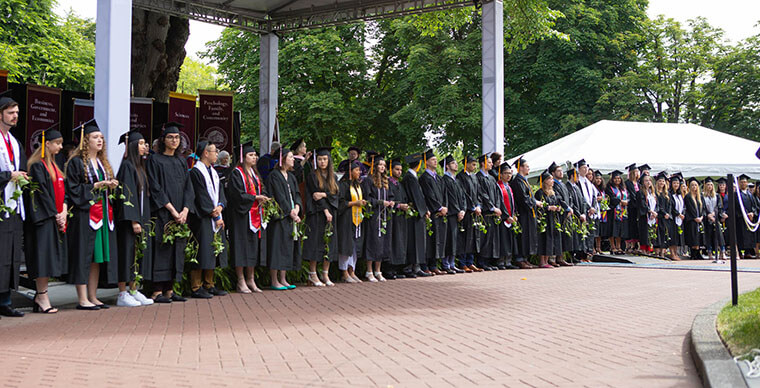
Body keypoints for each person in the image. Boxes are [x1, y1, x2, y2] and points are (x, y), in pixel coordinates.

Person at [66, 120, 119, 310]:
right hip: (84, 216)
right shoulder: (76, 163)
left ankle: (93, 296)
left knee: (97, 256)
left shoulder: (102, 163)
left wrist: (111, 185)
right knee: (84, 255)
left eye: (102, 138)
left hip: (102, 214)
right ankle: (82, 298)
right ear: (85, 140)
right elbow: (73, 189)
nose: (100, 141)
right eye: (95, 137)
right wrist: (96, 186)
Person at [145, 122, 193, 303]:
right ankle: (157, 290)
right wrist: (172, 210)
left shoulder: (181, 161)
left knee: (176, 249)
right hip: (164, 213)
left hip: (181, 214)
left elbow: (189, 187)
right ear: (163, 140)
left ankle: (170, 290)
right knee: (162, 249)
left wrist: (186, 210)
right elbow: (155, 188)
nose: (174, 140)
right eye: (171, 137)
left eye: (177, 137)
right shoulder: (154, 160)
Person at [24, 127, 67, 314]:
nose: (60, 146)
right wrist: (54, 213)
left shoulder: (55, 166)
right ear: (46, 144)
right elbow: (41, 193)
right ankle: (42, 295)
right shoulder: (37, 166)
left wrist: (63, 210)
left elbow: (62, 192)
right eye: (57, 143)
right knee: (42, 259)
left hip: (52, 217)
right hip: (42, 219)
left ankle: (41, 296)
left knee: (48, 259)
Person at [114, 131, 155, 307]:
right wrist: (133, 220)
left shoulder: (140, 168)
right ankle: (122, 293)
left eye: (144, 143)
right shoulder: (127, 167)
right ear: (131, 146)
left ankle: (134, 289)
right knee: (126, 254)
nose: (144, 146)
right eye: (140, 143)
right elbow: (127, 196)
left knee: (137, 255)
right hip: (129, 222)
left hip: (141, 218)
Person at [187, 140, 229, 298]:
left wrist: (220, 206)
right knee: (201, 250)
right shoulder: (195, 172)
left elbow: (220, 194)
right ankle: (196, 287)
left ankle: (209, 284)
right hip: (202, 218)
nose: (216, 154)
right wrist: (215, 214)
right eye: (214, 151)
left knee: (213, 250)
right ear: (205, 153)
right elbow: (201, 196)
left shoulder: (214, 172)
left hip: (215, 216)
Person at [225, 142, 268, 293]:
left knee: (252, 248)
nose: (255, 157)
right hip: (240, 217)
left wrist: (263, 198)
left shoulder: (255, 174)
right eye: (251, 155)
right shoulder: (237, 173)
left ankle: (251, 279)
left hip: (254, 217)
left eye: (255, 155)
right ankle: (240, 280)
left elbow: (262, 189)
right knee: (241, 247)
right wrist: (255, 197)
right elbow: (236, 195)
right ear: (243, 157)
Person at [266, 147, 303, 289]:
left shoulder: (291, 177)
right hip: (279, 217)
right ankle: (274, 280)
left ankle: (283, 278)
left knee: (287, 246)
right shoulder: (274, 176)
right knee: (277, 247)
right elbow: (279, 197)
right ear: (282, 159)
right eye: (291, 157)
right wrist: (291, 212)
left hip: (291, 216)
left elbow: (297, 194)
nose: (293, 159)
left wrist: (298, 208)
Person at [362, 154, 395, 281]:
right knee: (373, 241)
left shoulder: (386, 181)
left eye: (383, 165)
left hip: (385, 216)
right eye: (380, 165)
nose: (382, 167)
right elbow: (367, 198)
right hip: (374, 216)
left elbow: (390, 196)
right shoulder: (369, 180)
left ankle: (378, 270)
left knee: (382, 242)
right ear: (375, 167)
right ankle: (369, 271)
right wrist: (380, 203)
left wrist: (391, 202)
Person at [419, 150, 447, 275]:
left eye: (436, 159)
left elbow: (445, 194)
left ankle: (434, 264)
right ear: (426, 162)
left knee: (438, 239)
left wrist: (445, 207)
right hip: (432, 212)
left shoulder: (439, 178)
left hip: (441, 213)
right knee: (429, 240)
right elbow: (429, 195)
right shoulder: (424, 178)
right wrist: (439, 208)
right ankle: (425, 266)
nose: (435, 161)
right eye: (432, 160)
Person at [402, 153, 430, 277]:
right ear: (418, 165)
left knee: (417, 241)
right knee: (412, 241)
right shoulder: (409, 177)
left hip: (416, 213)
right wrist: (424, 210)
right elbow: (416, 197)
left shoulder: (412, 177)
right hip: (414, 214)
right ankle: (410, 267)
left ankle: (416, 266)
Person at [337, 161, 366, 282]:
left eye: (359, 170)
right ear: (350, 171)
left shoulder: (357, 185)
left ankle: (351, 270)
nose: (359, 172)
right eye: (357, 170)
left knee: (354, 245)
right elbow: (340, 203)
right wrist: (355, 203)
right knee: (346, 244)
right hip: (346, 218)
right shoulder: (343, 185)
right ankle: (344, 272)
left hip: (357, 219)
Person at [510, 156, 540, 268]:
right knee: (522, 236)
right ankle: (520, 258)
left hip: (528, 213)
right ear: (520, 167)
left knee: (528, 236)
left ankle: (525, 258)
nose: (529, 168)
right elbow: (523, 198)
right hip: (522, 213)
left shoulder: (524, 181)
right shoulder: (517, 181)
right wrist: (535, 202)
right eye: (527, 166)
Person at [475, 153, 502, 271]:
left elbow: (497, 194)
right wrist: (491, 207)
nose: (492, 164)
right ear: (483, 163)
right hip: (486, 212)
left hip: (494, 211)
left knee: (492, 238)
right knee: (484, 237)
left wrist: (497, 206)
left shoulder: (491, 178)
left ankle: (489, 261)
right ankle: (482, 261)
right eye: (489, 162)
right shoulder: (478, 177)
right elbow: (482, 194)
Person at [456, 155, 483, 272]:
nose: (475, 166)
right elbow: (463, 194)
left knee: (473, 238)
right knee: (465, 238)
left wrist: (478, 206)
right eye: (473, 164)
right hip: (466, 212)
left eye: (475, 164)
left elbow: (478, 194)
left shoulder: (474, 177)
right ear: (466, 164)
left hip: (475, 211)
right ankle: (462, 263)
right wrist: (472, 207)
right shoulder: (460, 177)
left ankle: (470, 261)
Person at [440, 155, 466, 273]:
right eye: (453, 163)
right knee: (449, 239)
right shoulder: (444, 180)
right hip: (450, 214)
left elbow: (463, 197)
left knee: (455, 240)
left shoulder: (457, 181)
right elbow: (449, 199)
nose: (456, 165)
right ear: (447, 166)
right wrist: (457, 211)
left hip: (458, 214)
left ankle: (452, 263)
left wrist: (463, 210)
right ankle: (446, 264)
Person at [385, 158, 409, 279]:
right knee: (393, 241)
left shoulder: (400, 184)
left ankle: (399, 268)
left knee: (400, 242)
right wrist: (399, 205)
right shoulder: (388, 183)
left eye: (400, 170)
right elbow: (389, 199)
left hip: (401, 218)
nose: (399, 172)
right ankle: (389, 269)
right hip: (392, 216)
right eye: (397, 169)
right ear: (391, 169)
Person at [534, 170, 562, 268]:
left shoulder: (552, 193)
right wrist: (548, 208)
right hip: (544, 220)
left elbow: (557, 203)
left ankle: (547, 261)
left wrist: (558, 208)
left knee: (550, 239)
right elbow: (539, 206)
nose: (552, 181)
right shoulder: (540, 193)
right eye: (550, 179)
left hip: (552, 219)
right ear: (545, 181)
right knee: (544, 239)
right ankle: (542, 261)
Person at [495, 162, 519, 269]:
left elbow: (513, 202)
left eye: (510, 173)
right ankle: (501, 262)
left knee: (510, 239)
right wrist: (506, 216)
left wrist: (514, 214)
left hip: (510, 217)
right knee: (503, 240)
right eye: (506, 173)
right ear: (500, 174)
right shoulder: (498, 186)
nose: (508, 175)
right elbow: (499, 202)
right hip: (502, 218)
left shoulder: (509, 187)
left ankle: (508, 261)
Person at [549, 162, 573, 266]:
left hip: (566, 212)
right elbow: (558, 198)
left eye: (562, 171)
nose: (561, 173)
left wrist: (570, 207)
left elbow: (569, 197)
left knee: (563, 236)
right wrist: (566, 208)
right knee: (557, 236)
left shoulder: (563, 184)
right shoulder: (553, 184)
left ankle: (561, 257)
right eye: (558, 171)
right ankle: (553, 258)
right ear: (553, 173)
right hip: (559, 212)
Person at [655, 172, 679, 260]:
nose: (662, 183)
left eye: (663, 181)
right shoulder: (656, 193)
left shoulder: (667, 193)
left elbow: (670, 205)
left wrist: (668, 213)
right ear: (657, 182)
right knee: (660, 234)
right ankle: (658, 252)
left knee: (665, 234)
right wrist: (664, 213)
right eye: (660, 181)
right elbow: (658, 205)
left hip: (667, 217)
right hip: (660, 216)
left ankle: (663, 252)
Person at [566, 167, 588, 263]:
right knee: (573, 236)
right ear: (572, 176)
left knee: (579, 236)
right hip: (574, 216)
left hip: (580, 216)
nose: (578, 177)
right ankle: (572, 255)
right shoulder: (567, 187)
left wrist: (584, 213)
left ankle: (579, 255)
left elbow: (583, 201)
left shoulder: (576, 187)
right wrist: (579, 214)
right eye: (577, 175)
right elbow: (572, 204)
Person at [576, 159, 598, 255]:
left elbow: (593, 196)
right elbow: (581, 197)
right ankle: (583, 252)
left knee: (590, 232)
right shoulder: (578, 182)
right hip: (584, 210)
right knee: (583, 232)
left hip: (591, 211)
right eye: (583, 168)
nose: (585, 170)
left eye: (586, 168)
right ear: (579, 169)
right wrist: (589, 208)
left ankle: (589, 250)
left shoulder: (589, 183)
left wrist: (593, 207)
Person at [604, 170, 629, 255]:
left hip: (622, 212)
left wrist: (627, 202)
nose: (617, 180)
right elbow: (611, 198)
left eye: (619, 178)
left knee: (620, 230)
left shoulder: (623, 188)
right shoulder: (609, 188)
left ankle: (618, 247)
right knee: (612, 229)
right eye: (615, 178)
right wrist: (621, 201)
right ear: (612, 179)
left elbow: (627, 197)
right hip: (613, 211)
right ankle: (613, 246)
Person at [703, 177, 726, 262]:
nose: (709, 186)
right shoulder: (703, 196)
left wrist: (714, 214)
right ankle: (709, 252)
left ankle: (722, 252)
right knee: (708, 236)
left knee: (719, 235)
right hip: (707, 219)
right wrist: (708, 215)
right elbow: (702, 207)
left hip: (715, 218)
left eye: (711, 185)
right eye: (708, 185)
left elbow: (719, 206)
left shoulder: (716, 195)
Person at [684, 177, 706, 260]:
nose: (694, 187)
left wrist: (701, 217)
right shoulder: (688, 197)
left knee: (699, 237)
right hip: (691, 220)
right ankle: (693, 253)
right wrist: (695, 218)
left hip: (699, 220)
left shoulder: (700, 197)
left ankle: (698, 253)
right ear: (689, 187)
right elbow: (689, 209)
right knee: (693, 237)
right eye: (692, 185)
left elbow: (703, 208)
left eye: (695, 185)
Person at [736, 174, 756, 259]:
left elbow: (754, 206)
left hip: (750, 219)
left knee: (749, 235)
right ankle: (740, 252)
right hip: (741, 218)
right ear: (739, 183)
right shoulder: (736, 194)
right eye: (742, 182)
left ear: (747, 183)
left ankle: (748, 252)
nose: (743, 184)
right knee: (741, 235)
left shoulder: (750, 195)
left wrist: (752, 213)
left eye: (745, 182)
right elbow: (737, 206)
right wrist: (745, 214)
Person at [637, 174, 658, 255]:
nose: (648, 182)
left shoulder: (653, 193)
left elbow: (657, 204)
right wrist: (650, 211)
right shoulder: (640, 193)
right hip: (644, 216)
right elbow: (642, 204)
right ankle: (643, 250)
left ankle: (650, 249)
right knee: (644, 233)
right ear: (642, 182)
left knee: (651, 232)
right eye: (646, 180)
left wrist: (655, 212)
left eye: (649, 180)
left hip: (653, 217)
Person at [625, 164, 641, 253]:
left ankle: (635, 245)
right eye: (634, 172)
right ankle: (629, 246)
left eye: (637, 172)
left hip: (638, 208)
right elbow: (631, 194)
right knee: (631, 225)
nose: (636, 174)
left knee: (636, 226)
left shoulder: (639, 183)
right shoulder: (627, 183)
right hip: (631, 207)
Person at [670, 175, 687, 254]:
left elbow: (683, 206)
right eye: (674, 183)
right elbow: (671, 207)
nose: (676, 185)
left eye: (677, 183)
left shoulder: (680, 195)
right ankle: (672, 253)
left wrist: (682, 214)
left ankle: (677, 252)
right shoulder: (670, 194)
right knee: (673, 236)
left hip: (680, 218)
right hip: (673, 218)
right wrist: (678, 214)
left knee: (678, 236)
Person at [591, 170, 606, 254]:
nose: (598, 180)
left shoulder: (602, 189)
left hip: (602, 212)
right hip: (594, 211)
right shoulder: (592, 187)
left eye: (600, 179)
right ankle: (593, 247)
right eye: (597, 178)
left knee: (599, 231)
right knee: (594, 231)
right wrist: (597, 199)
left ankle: (598, 247)